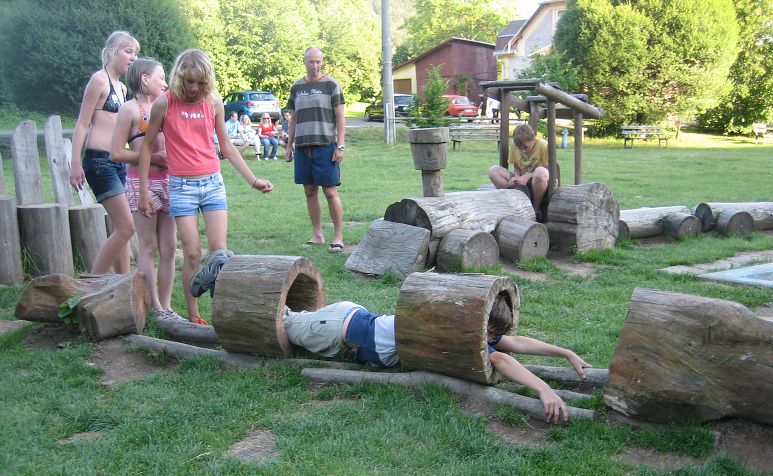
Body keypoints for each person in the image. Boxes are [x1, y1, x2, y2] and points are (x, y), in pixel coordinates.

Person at [284, 294, 589, 424]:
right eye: (487, 330)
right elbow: (500, 361)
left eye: (493, 334)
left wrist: (566, 353)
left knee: (295, 318)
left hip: (352, 319)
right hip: (336, 329)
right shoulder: (457, 330)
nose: (488, 338)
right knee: (282, 322)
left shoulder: (475, 330)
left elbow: (517, 343)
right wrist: (543, 389)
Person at [136, 48, 273, 324]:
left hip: (212, 183)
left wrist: (253, 180)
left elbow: (227, 147)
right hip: (181, 187)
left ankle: (222, 311)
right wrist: (143, 191)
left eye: (199, 82)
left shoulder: (213, 102)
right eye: (189, 81)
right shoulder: (164, 103)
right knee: (192, 254)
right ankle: (194, 316)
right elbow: (147, 146)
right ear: (179, 78)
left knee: (219, 253)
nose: (193, 88)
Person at [110, 58, 184, 323]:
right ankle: (153, 306)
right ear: (144, 79)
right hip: (142, 183)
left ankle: (167, 307)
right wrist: (154, 158)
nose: (165, 82)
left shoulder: (167, 105)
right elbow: (116, 153)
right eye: (160, 77)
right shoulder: (129, 109)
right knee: (149, 245)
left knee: (170, 247)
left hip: (169, 182)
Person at [69, 31, 139, 275]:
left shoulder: (122, 88)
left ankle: (122, 283)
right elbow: (82, 124)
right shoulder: (99, 81)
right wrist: (75, 163)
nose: (133, 57)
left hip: (118, 162)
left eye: (135, 53)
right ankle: (92, 283)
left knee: (121, 227)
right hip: (99, 162)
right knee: (127, 227)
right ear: (112, 52)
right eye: (128, 51)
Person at [284, 47, 346, 253]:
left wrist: (340, 146)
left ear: (322, 62)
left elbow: (340, 117)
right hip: (303, 147)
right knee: (309, 191)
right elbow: (293, 118)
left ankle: (338, 237)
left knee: (330, 191)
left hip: (325, 146)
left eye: (318, 61)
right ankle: (317, 235)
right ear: (304, 62)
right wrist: (289, 146)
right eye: (311, 61)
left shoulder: (331, 84)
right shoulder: (297, 87)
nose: (315, 65)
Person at [488, 124, 550, 222]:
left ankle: (536, 209)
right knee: (493, 171)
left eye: (525, 147)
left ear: (533, 139)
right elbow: (516, 166)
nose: (523, 151)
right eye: (519, 148)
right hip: (522, 184)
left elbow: (548, 169)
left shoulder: (543, 145)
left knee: (540, 172)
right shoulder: (514, 145)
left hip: (540, 183)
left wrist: (528, 175)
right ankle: (514, 203)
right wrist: (516, 177)